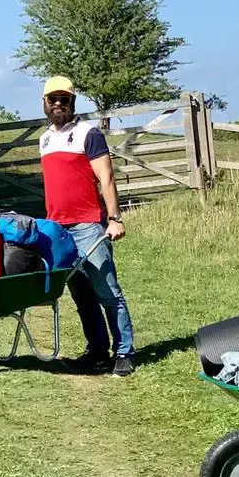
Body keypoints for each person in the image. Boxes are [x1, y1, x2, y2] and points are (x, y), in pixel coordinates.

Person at [38, 76, 137, 376]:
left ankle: (124, 352)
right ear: (44, 102)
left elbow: (106, 178)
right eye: (53, 99)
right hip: (58, 231)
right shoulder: (44, 140)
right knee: (81, 295)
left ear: (73, 102)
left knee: (107, 291)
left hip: (88, 226)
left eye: (64, 99)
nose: (58, 104)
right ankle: (97, 351)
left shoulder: (88, 134)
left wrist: (114, 218)